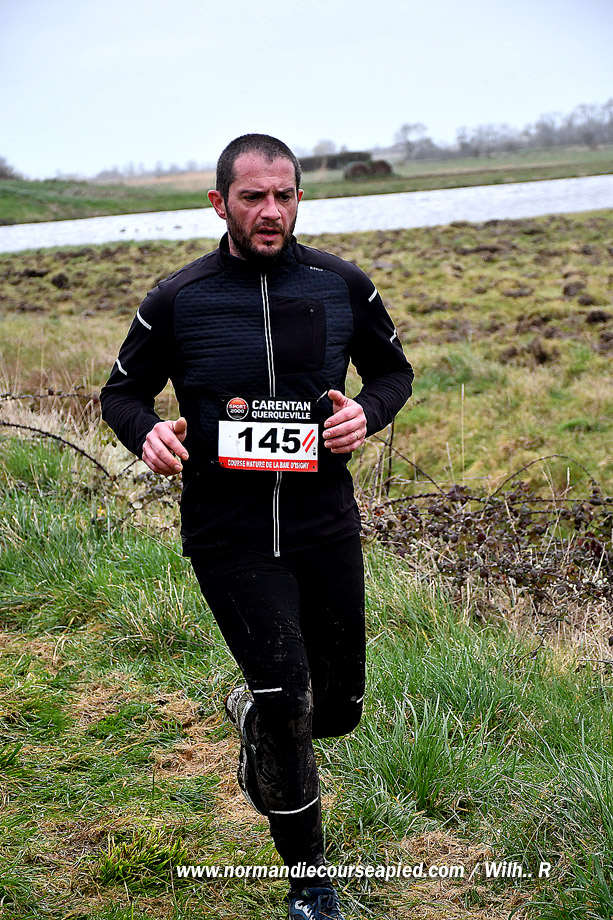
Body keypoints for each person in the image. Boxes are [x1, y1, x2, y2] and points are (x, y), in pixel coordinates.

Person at [100, 134, 413, 920]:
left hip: (322, 524)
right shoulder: (179, 299)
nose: (270, 211)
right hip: (228, 532)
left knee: (334, 709)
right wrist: (146, 432)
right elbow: (120, 394)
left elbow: (392, 373)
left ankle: (251, 715)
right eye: (252, 197)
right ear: (220, 203)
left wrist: (365, 415)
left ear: (299, 198)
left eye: (284, 195)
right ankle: (309, 885)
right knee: (289, 702)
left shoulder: (342, 286)